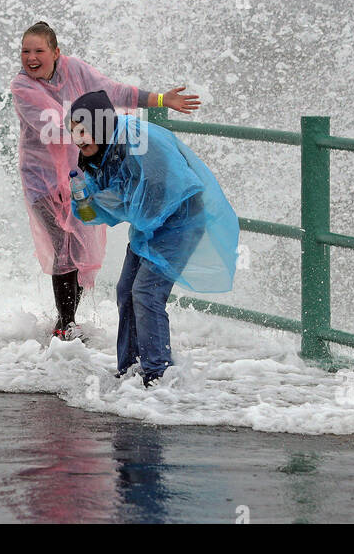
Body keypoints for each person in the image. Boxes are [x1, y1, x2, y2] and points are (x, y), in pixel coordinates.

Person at [9, 22, 199, 340]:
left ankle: (67, 320)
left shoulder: (75, 69)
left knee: (80, 244)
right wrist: (104, 124)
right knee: (64, 244)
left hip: (80, 173)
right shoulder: (22, 87)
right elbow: (54, 127)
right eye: (25, 51)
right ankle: (66, 323)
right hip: (41, 179)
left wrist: (162, 99)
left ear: (56, 53)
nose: (31, 58)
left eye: (39, 51)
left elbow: (115, 91)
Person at [67, 88, 239, 387]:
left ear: (100, 126)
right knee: (125, 290)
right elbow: (103, 208)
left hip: (179, 220)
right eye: (73, 132)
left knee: (146, 293)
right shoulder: (99, 151)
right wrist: (87, 203)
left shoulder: (139, 142)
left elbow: (156, 193)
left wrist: (110, 202)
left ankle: (158, 376)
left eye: (83, 130)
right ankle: (130, 368)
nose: (78, 138)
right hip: (151, 226)